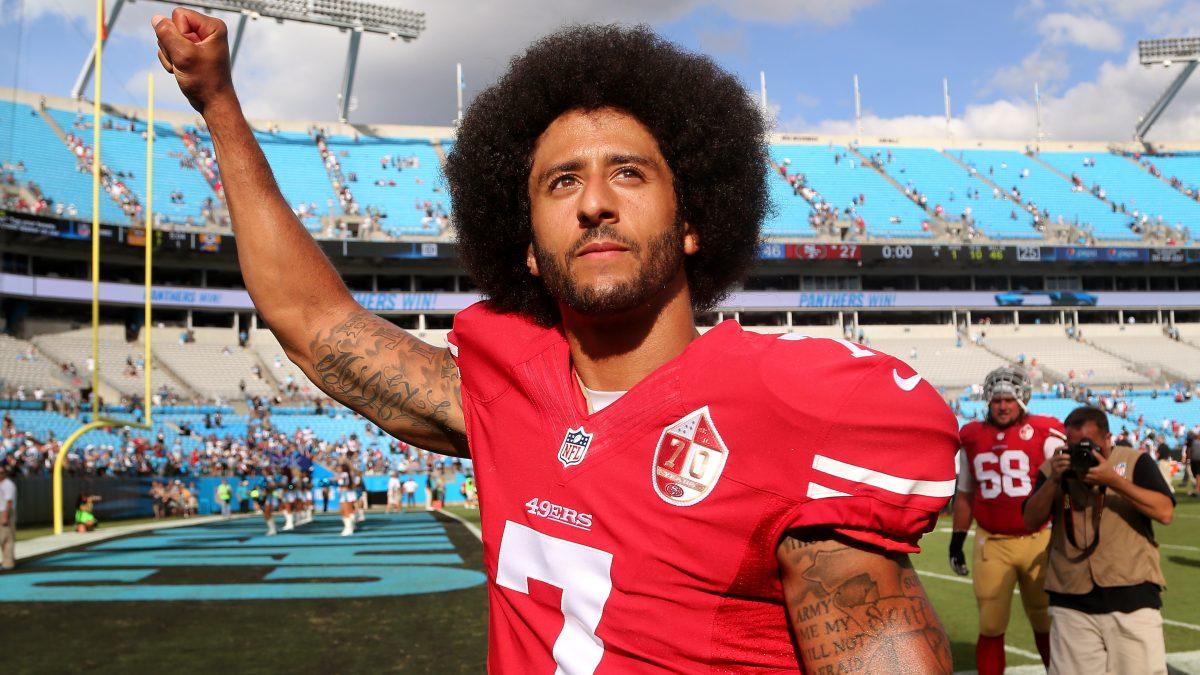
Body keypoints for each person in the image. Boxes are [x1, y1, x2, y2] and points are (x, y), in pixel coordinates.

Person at [153, 11, 959, 670]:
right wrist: (218, 101)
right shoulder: (507, 388)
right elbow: (317, 325)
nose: (595, 203)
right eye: (561, 180)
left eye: (630, 173)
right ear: (528, 244)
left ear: (693, 222)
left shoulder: (792, 404)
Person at [1022, 406, 1175, 675]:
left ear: (1108, 439)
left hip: (1132, 595)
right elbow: (1030, 521)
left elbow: (1164, 512)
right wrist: (1054, 481)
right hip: (1070, 598)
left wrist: (1114, 481)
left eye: (1091, 445)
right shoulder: (1054, 470)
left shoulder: (1134, 461)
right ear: (1065, 443)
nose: (1084, 453)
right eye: (1075, 445)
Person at [951, 366, 1064, 674]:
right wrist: (957, 539)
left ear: (1022, 400)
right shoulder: (971, 436)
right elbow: (965, 493)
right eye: (997, 399)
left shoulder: (1044, 431)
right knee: (990, 621)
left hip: (1038, 538)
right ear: (988, 400)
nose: (1002, 406)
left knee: (1044, 618)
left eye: (1009, 400)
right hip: (993, 540)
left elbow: (1065, 485)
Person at [0, 465, 15, 570]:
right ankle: (6, 561)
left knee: (7, 538)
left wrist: (5, 516)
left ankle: (8, 562)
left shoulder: (8, 485)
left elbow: (9, 502)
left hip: (5, 512)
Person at [336, 463, 356, 536]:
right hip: (346, 493)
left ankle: (348, 528)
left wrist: (327, 480)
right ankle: (351, 525)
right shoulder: (347, 474)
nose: (337, 469)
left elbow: (336, 479)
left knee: (345, 511)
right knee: (345, 511)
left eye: (339, 468)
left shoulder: (344, 474)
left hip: (345, 494)